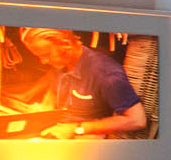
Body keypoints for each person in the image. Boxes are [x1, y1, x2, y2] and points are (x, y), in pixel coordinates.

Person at [18, 28, 148, 139]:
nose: (43, 61)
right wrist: (43, 111)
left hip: (85, 137)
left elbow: (137, 120)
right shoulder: (62, 62)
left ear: (66, 45)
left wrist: (77, 128)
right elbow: (53, 90)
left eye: (46, 55)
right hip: (57, 128)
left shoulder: (106, 74)